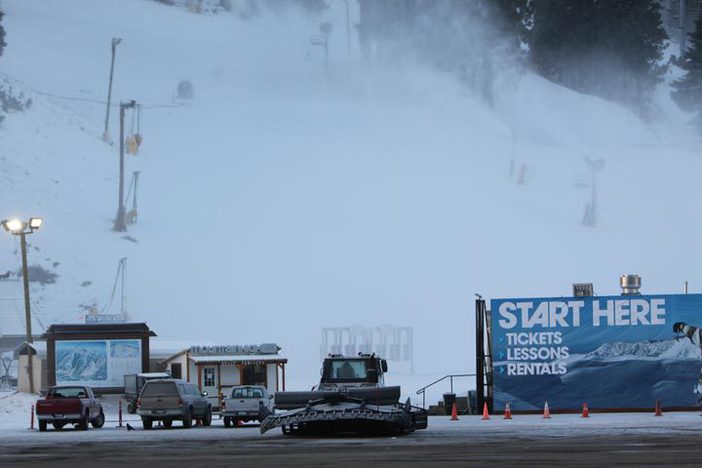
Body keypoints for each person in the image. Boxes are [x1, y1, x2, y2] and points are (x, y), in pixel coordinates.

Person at [673, 322, 702, 403]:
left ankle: (700, 396)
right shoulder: (690, 329)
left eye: (678, 330)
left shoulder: (687, 329)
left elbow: (688, 339)